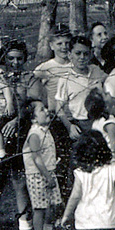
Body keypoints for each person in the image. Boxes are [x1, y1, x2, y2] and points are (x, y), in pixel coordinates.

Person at [0, 39, 38, 230]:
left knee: (19, 180)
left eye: (19, 59)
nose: (15, 62)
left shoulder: (29, 78)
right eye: (11, 58)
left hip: (19, 132)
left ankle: (25, 225)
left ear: (25, 59)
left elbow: (33, 104)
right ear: (4, 58)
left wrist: (17, 119)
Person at [33, 28, 74, 197]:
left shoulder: (76, 63)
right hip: (57, 118)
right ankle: (60, 199)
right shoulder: (46, 67)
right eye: (59, 44)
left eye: (66, 43)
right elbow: (33, 81)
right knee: (60, 160)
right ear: (51, 45)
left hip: (76, 116)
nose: (64, 47)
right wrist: (42, 103)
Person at [22, 100, 63, 230]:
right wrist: (47, 176)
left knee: (53, 202)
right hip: (37, 175)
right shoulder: (34, 134)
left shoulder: (45, 130)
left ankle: (48, 229)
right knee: (40, 206)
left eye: (45, 108)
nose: (46, 111)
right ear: (33, 118)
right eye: (41, 110)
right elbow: (36, 158)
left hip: (48, 172)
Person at [55, 35, 107, 141]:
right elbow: (59, 108)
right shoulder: (65, 78)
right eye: (78, 53)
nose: (82, 57)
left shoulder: (96, 70)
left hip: (100, 120)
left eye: (86, 54)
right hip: (80, 123)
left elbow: (110, 82)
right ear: (70, 55)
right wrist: (70, 127)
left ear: (91, 54)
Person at [85, 89, 115, 161]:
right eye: (105, 94)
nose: (109, 92)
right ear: (105, 105)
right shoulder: (109, 122)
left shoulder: (96, 121)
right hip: (111, 160)